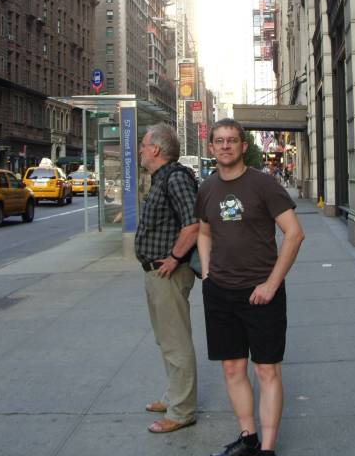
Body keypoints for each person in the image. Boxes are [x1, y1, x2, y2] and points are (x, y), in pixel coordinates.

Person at [196, 118, 306, 456]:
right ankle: (248, 438)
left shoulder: (263, 184)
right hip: (220, 292)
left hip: (261, 293)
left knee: (266, 370)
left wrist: (272, 284)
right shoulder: (207, 188)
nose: (225, 146)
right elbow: (203, 232)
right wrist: (207, 274)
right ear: (211, 147)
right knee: (232, 368)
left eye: (232, 140)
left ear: (244, 146)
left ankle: (267, 449)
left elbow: (294, 234)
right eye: (219, 140)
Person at [135, 123, 200, 434]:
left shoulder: (175, 178)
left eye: (143, 145)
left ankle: (182, 411)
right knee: (166, 339)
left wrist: (174, 257)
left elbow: (194, 224)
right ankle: (174, 396)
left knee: (176, 342)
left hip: (169, 273)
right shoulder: (162, 178)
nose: (140, 150)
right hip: (156, 273)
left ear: (156, 150)